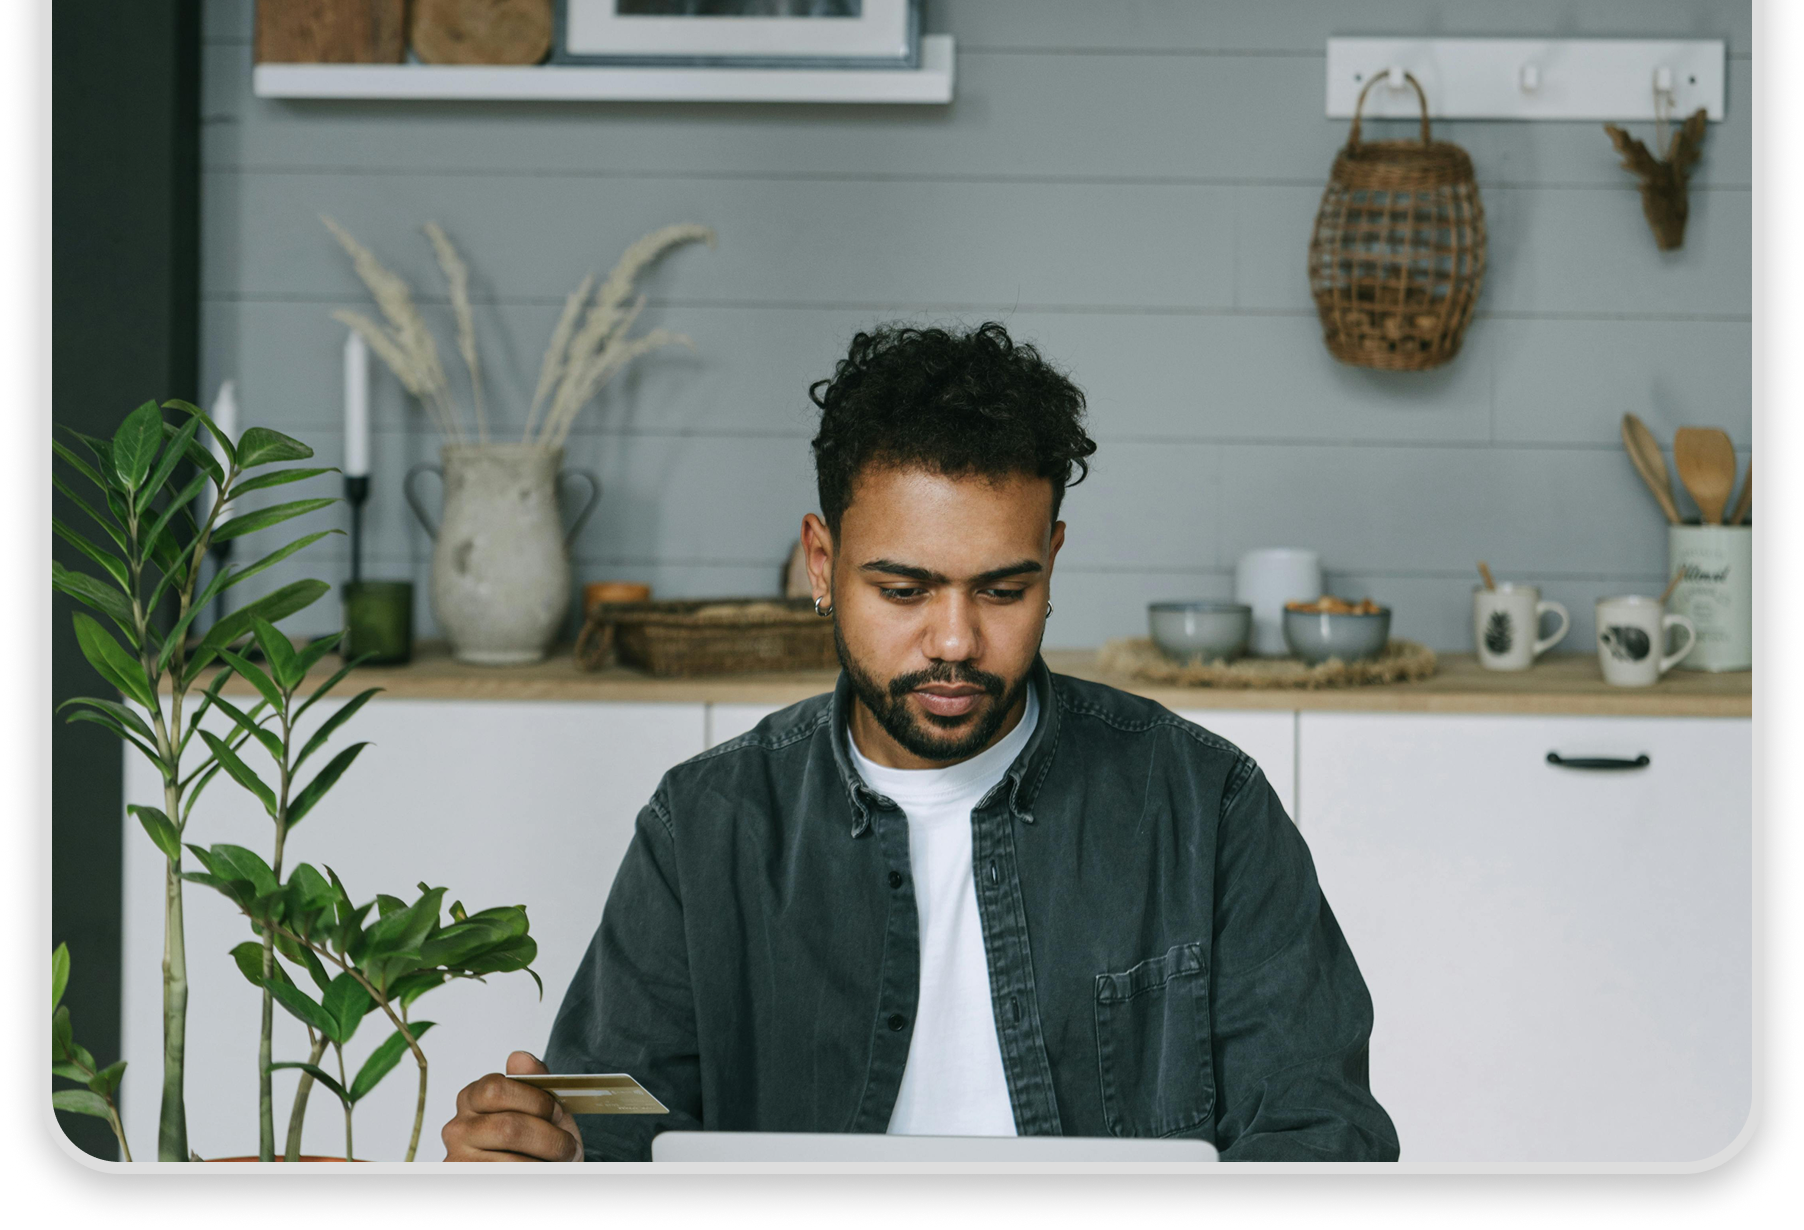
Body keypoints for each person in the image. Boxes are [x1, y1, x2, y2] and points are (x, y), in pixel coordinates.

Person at [442, 323, 1399, 1161]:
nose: (954, 641)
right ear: (822, 565)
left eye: (1002, 590)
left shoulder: (1205, 807)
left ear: (1053, 562)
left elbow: (1320, 1126)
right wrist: (559, 1145)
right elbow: (627, 1093)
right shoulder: (705, 826)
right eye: (903, 591)